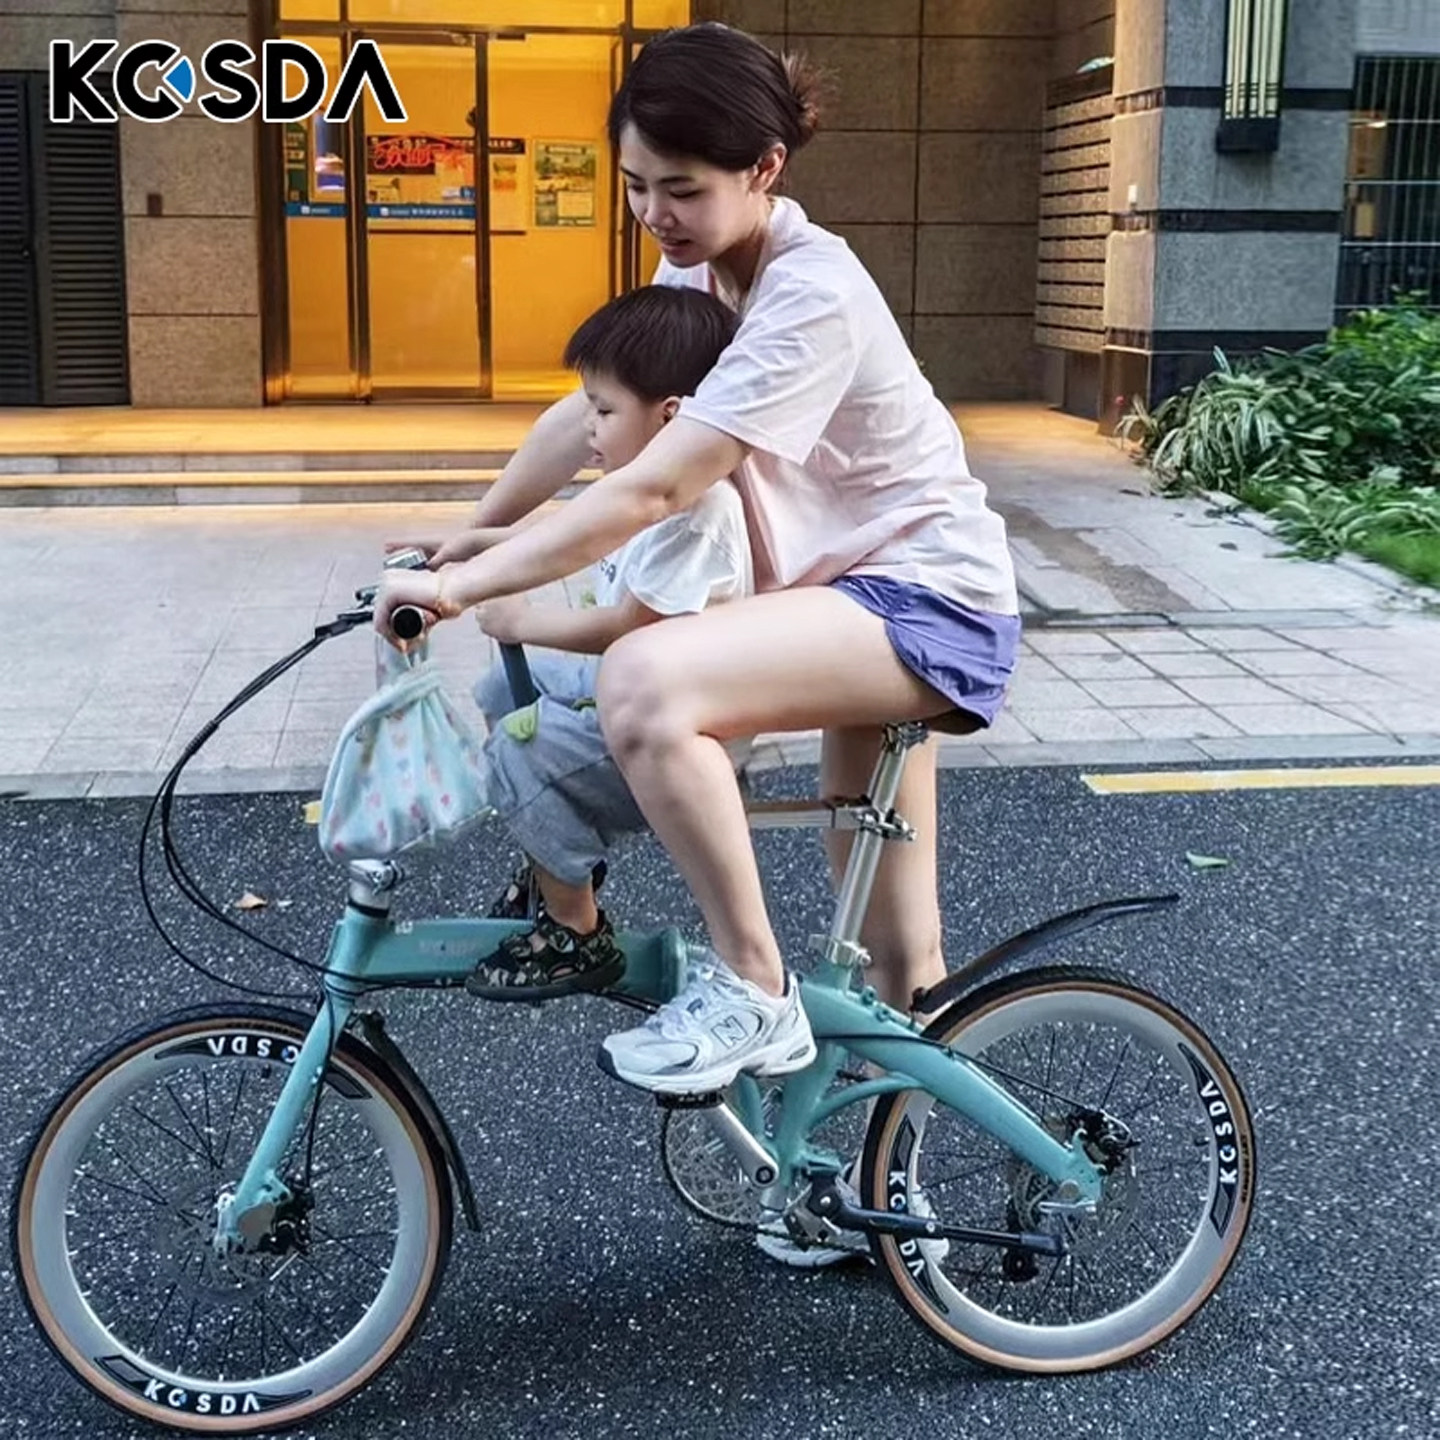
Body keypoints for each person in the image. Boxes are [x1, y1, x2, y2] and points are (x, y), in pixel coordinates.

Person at [377, 23, 1020, 1101]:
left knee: (645, 676)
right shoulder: (711, 272)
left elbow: (657, 485)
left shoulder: (811, 293)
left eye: (681, 189)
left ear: (765, 168)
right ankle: (875, 1178)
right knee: (897, 963)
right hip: (840, 601)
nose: (653, 214)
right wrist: (469, 533)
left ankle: (753, 984)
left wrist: (460, 590)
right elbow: (592, 411)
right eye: (635, 186)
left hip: (924, 602)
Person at [443, 285, 752, 1000]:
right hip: (631, 691)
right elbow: (555, 540)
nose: (588, 426)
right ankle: (557, 859)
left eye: (604, 411)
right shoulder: (631, 487)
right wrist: (462, 554)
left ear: (669, 418)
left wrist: (521, 622)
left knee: (518, 752)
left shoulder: (698, 511)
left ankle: (575, 930)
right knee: (501, 691)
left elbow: (631, 626)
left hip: (674, 735)